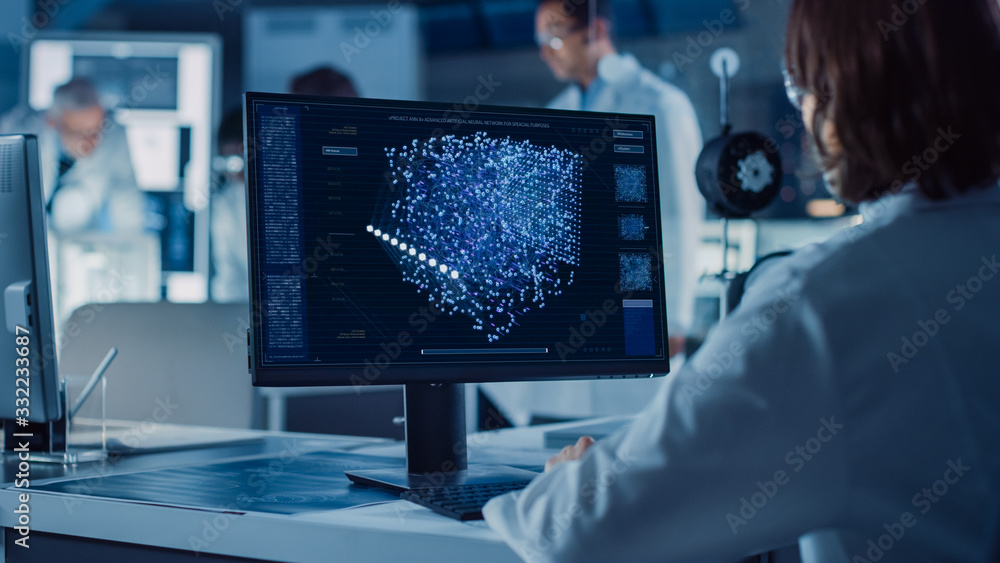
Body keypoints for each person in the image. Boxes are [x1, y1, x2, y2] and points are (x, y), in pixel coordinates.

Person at [484, 0, 1000, 561]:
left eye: (798, 85)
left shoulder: (822, 306)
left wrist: (574, 480)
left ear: (838, 92)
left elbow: (579, 530)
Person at [482, 0, 704, 424]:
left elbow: (679, 216)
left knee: (627, 442)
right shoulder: (556, 111)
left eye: (555, 37)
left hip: (637, 306)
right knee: (556, 442)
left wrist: (675, 317)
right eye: (541, 41)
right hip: (568, 312)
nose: (547, 52)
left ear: (596, 30)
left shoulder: (659, 103)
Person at [210, 110, 249, 303]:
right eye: (232, 163)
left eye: (244, 159)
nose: (240, 171)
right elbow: (229, 278)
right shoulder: (224, 206)